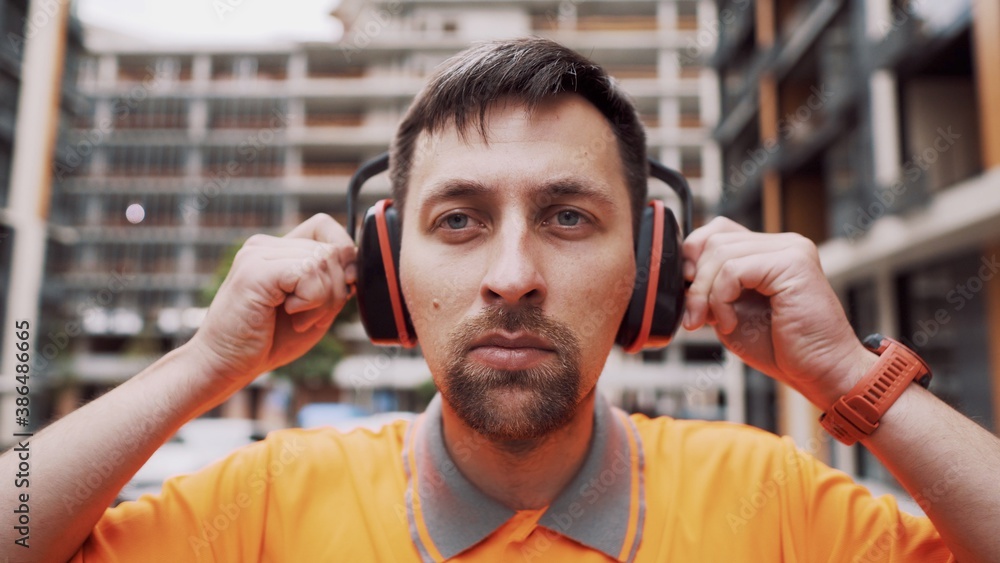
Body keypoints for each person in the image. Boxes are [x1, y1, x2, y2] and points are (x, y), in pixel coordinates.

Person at [3, 37, 998, 563]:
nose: (511, 274)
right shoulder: (259, 508)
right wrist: (203, 366)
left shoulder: (775, 504)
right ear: (387, 271)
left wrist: (845, 373)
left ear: (649, 267)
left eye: (567, 217)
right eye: (459, 220)